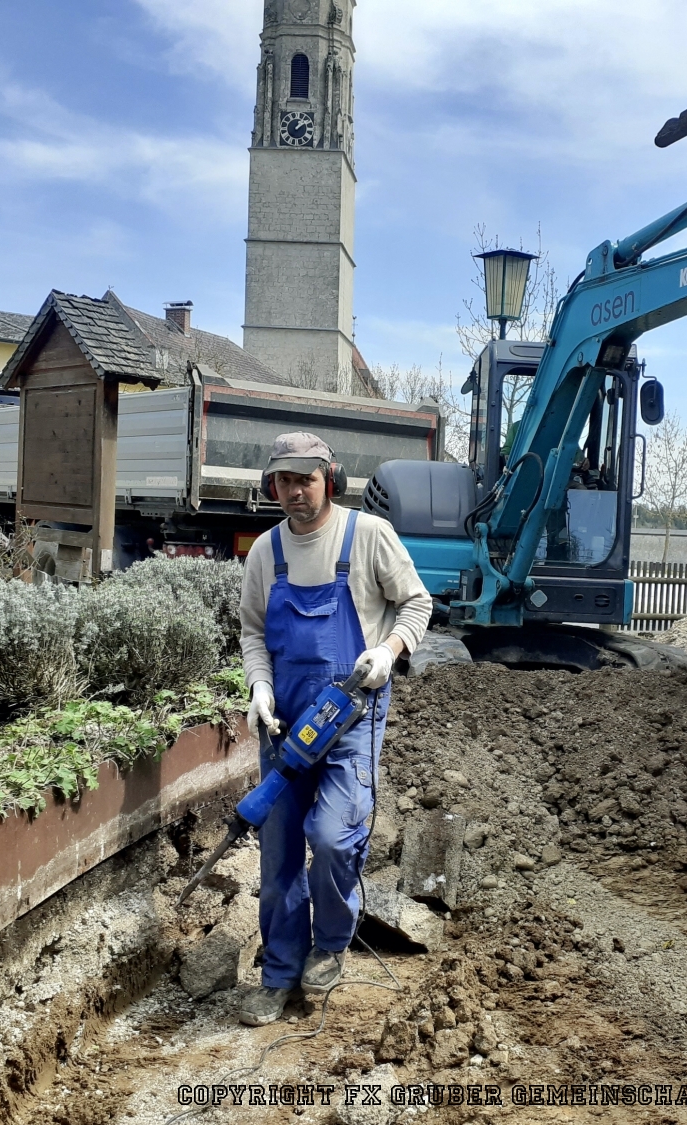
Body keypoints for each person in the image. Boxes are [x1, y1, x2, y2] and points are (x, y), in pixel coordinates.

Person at [236, 432, 432, 1027]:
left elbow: (417, 603)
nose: (296, 491)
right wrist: (259, 685)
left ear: (331, 480)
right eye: (285, 481)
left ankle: (330, 941)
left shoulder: (368, 535)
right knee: (277, 857)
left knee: (329, 836)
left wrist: (389, 650)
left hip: (352, 716)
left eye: (307, 479)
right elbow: (253, 633)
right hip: (285, 726)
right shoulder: (265, 552)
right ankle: (278, 973)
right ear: (272, 486)